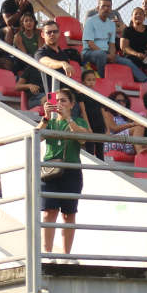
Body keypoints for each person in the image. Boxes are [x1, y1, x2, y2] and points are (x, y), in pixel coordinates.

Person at [38, 87, 88, 256]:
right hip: (50, 171)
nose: (59, 104)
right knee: (49, 212)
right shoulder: (50, 122)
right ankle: (47, 253)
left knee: (69, 214)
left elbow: (83, 139)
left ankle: (66, 255)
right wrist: (45, 117)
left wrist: (68, 119)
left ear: (72, 104)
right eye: (56, 100)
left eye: (64, 100)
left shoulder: (78, 122)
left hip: (71, 170)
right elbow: (36, 136)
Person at [35, 20, 82, 86]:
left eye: (55, 31)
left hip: (66, 90)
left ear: (59, 33)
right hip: (51, 91)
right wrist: (62, 63)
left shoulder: (63, 54)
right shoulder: (40, 53)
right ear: (43, 35)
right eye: (49, 32)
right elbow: (47, 62)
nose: (52, 34)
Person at [119, 6, 147, 75]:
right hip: (134, 55)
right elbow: (124, 47)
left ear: (144, 17)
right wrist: (137, 54)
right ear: (132, 18)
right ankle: (142, 76)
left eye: (141, 14)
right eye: (136, 14)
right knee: (131, 59)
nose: (138, 15)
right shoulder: (127, 30)